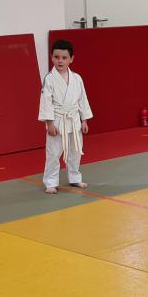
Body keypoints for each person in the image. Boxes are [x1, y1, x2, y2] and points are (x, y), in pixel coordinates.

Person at [39, 39, 92, 193]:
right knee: (53, 153)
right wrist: (49, 123)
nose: (60, 61)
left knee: (75, 152)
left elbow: (82, 99)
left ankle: (75, 178)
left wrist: (84, 120)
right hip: (57, 121)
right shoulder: (49, 79)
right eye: (56, 57)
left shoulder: (77, 78)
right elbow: (46, 102)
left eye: (64, 58)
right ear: (51, 57)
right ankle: (50, 182)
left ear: (71, 59)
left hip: (74, 120)